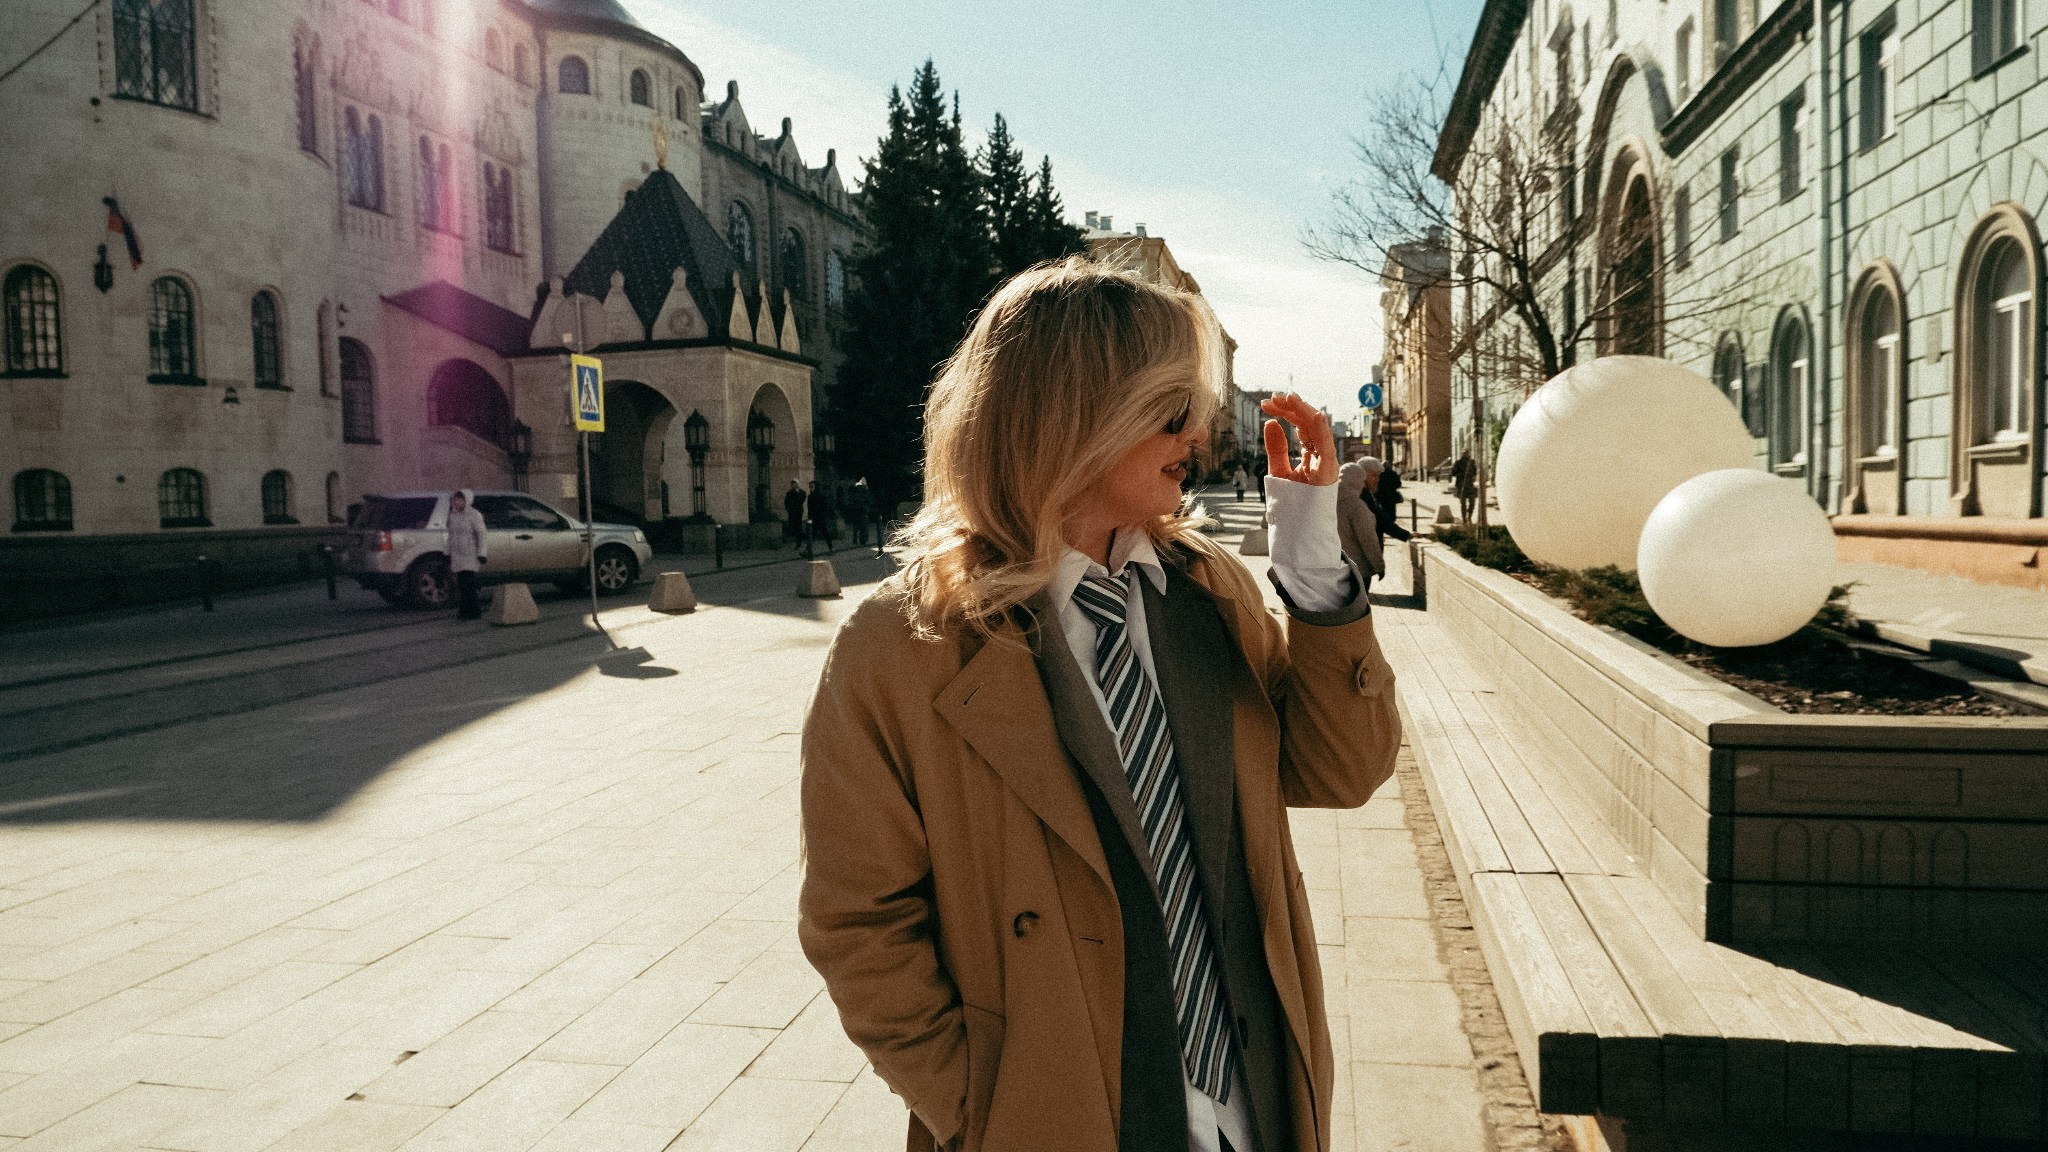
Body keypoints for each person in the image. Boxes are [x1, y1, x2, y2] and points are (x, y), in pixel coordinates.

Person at [800, 259, 1400, 1152]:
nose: (1198, 435)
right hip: (1062, 1118)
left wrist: (1314, 570)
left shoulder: (1211, 592)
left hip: (1254, 1105)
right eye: (1171, 410)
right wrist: (985, 1105)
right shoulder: (902, 649)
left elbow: (1339, 771)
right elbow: (858, 923)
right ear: (1075, 417)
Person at [1335, 460, 1387, 589]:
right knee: (1359, 607)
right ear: (1357, 481)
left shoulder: (1327, 500)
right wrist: (1379, 566)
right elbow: (1368, 538)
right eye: (1363, 481)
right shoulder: (1356, 505)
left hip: (1333, 567)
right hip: (1357, 568)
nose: (1364, 486)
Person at [445, 489, 487, 620]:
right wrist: (447, 552)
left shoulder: (474, 515)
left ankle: (474, 611)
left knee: (469, 584)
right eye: (456, 499)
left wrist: (482, 553)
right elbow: (451, 536)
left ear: (467, 500)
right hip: (457, 555)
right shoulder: (453, 515)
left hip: (469, 554)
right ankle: (465, 610)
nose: (457, 502)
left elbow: (482, 535)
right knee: (461, 585)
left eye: (460, 499)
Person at [808, 480, 837, 555]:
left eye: (812, 487)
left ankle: (831, 548)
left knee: (825, 534)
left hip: (821, 518)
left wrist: (822, 516)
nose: (811, 488)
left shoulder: (821, 496)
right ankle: (808, 550)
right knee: (812, 535)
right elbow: (809, 509)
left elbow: (825, 507)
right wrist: (809, 519)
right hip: (814, 518)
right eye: (810, 487)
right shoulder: (810, 496)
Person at [1450, 449, 1477, 524]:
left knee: (1472, 502)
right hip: (1461, 485)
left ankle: (1469, 517)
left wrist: (1473, 477)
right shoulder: (1458, 463)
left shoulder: (1471, 462)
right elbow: (1453, 473)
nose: (1466, 454)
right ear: (1462, 454)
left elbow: (1475, 472)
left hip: (1470, 485)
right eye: (1464, 453)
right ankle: (1464, 519)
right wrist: (1462, 474)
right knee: (1463, 504)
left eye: (1467, 453)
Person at [845, 478, 874, 547]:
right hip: (863, 511)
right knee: (863, 527)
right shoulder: (865, 492)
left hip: (856, 511)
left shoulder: (854, 493)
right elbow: (870, 501)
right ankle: (862, 541)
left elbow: (850, 502)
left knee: (856, 527)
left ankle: (855, 539)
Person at [784, 480, 808, 550]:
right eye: (792, 484)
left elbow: (801, 500)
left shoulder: (802, 492)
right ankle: (798, 539)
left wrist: (797, 493)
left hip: (798, 512)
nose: (793, 486)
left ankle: (799, 542)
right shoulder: (789, 493)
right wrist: (788, 509)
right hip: (791, 512)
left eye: (794, 484)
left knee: (798, 526)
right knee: (793, 526)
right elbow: (786, 501)